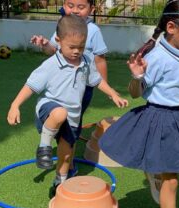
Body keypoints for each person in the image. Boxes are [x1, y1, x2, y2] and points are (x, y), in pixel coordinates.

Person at [98, 1, 179, 208]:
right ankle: (162, 179)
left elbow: (173, 77)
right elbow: (135, 93)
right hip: (162, 119)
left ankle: (157, 170)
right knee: (171, 180)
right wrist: (137, 76)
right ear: (171, 28)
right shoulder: (157, 57)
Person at [7, 15, 128, 192]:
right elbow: (31, 86)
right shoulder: (51, 64)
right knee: (60, 112)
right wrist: (15, 105)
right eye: (72, 47)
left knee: (66, 156)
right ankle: (44, 147)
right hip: (49, 109)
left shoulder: (86, 62)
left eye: (81, 46)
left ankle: (60, 182)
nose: (77, 51)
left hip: (73, 116)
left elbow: (96, 81)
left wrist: (113, 93)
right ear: (58, 40)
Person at [30, 0, 109, 175]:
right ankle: (57, 153)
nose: (74, 10)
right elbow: (53, 49)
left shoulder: (94, 31)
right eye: (70, 5)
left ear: (91, 9)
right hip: (60, 84)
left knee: (72, 124)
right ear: (64, 5)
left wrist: (106, 87)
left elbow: (100, 58)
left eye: (81, 7)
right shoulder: (63, 25)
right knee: (59, 119)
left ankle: (68, 162)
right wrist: (45, 44)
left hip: (81, 87)